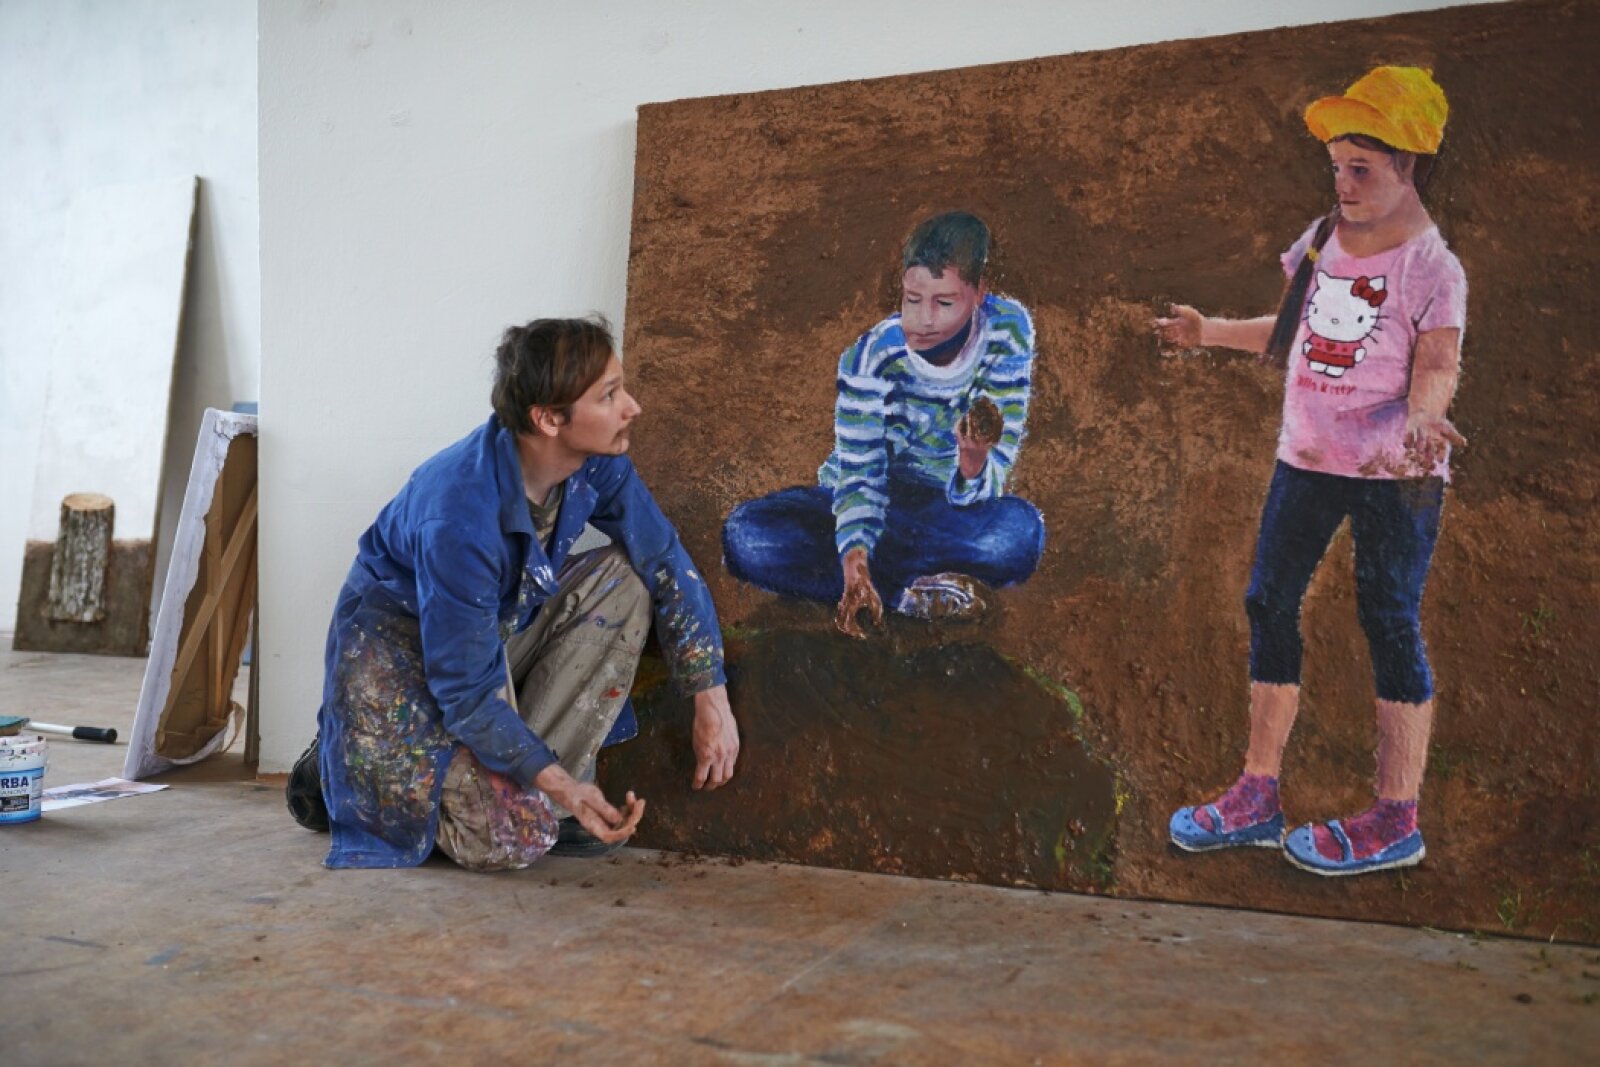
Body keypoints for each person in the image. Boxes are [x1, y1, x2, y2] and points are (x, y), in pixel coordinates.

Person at [1156, 66, 1467, 876]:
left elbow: (1437, 361)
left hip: (1396, 472)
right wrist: (1208, 332)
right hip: (1309, 457)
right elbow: (1292, 329)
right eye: (1336, 167)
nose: (1344, 183)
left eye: (1361, 168)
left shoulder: (1433, 268)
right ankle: (1258, 793)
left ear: (1408, 166)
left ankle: (1396, 815)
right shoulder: (1323, 238)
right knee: (1269, 599)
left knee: (1388, 618)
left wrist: (1425, 419)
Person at [292, 316, 740, 871]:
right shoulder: (457, 515)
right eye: (609, 395)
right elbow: (464, 690)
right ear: (548, 418)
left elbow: (663, 559)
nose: (632, 407)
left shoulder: (596, 465)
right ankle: (345, 763)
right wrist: (561, 789)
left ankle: (531, 787)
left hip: (485, 641)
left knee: (626, 580)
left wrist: (710, 697)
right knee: (512, 840)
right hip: (407, 665)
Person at [722, 211, 1045, 638]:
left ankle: (894, 581)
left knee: (1020, 534)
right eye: (913, 299)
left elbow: (993, 477)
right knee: (746, 535)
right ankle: (902, 593)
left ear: (980, 292)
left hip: (947, 510)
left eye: (944, 303)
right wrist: (855, 560)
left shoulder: (1008, 331)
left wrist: (972, 463)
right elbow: (861, 475)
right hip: (869, 503)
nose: (924, 320)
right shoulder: (872, 356)